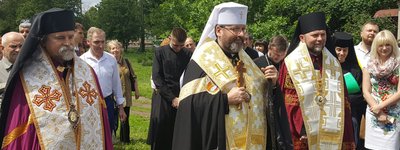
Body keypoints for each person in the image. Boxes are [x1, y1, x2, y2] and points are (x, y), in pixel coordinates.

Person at [173, 2, 292, 149]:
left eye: (243, 29)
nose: (241, 34)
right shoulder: (202, 60)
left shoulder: (246, 59)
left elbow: (263, 99)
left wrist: (272, 85)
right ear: (218, 30)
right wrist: (224, 100)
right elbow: (188, 105)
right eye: (235, 29)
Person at [0, 8, 113, 149]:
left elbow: (101, 121)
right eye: (60, 38)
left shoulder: (87, 72)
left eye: (71, 37)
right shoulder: (27, 77)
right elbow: (21, 131)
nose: (68, 42)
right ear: (43, 41)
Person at [279, 12, 355, 149]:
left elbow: (343, 99)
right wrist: (302, 127)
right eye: (315, 35)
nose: (320, 39)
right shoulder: (291, 63)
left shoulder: (334, 63)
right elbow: (288, 99)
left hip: (331, 130)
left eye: (323, 34)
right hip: (303, 133)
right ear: (302, 38)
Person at [147, 27, 192, 150]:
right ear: (170, 38)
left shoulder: (188, 54)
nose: (178, 48)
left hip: (182, 98)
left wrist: (181, 97)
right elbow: (157, 78)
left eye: (181, 46)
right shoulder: (160, 52)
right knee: (161, 133)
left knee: (178, 134)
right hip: (163, 98)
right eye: (175, 45)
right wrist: (172, 98)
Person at [80, 27, 127, 142]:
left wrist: (121, 108)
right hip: (89, 104)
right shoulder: (82, 61)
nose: (100, 45)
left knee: (107, 134)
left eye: (103, 42)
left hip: (108, 103)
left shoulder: (111, 59)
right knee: (90, 137)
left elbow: (116, 85)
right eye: (96, 42)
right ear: (88, 42)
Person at [362, 30, 400, 150]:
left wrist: (380, 107)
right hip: (373, 114)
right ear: (376, 46)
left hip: (392, 114)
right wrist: (378, 111)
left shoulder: (399, 64)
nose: (384, 48)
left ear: (393, 45)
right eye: (381, 45)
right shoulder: (369, 64)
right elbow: (366, 91)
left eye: (388, 44)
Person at [330, 32, 366, 149]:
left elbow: (360, 96)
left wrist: (342, 99)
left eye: (345, 50)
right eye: (338, 49)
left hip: (350, 114)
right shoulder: (326, 67)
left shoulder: (355, 70)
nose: (341, 53)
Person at [107, 40, 140, 143]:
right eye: (113, 48)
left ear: (121, 49)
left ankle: (125, 139)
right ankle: (112, 138)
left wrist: (137, 90)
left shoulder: (126, 61)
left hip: (126, 93)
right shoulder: (108, 62)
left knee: (125, 116)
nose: (115, 50)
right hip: (113, 95)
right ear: (109, 50)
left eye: (117, 48)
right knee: (114, 117)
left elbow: (133, 76)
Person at [0, 32, 24, 102]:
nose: (18, 50)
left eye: (21, 46)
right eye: (13, 46)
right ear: (2, 48)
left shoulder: (32, 68)